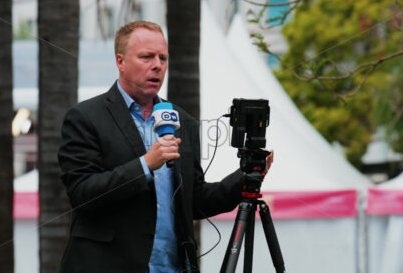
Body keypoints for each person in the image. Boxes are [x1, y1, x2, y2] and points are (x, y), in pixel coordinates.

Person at [58, 21, 274, 273]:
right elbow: (82, 195)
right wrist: (145, 164)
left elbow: (194, 202)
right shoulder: (85, 117)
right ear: (120, 62)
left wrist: (244, 178)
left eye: (163, 58)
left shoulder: (183, 121)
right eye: (146, 57)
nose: (157, 65)